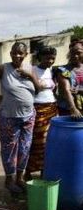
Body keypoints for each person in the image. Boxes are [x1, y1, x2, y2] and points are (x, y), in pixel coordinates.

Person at [0, 42, 40, 194]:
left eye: (21, 53)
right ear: (11, 53)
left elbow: (38, 90)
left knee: (25, 147)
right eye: (14, 52)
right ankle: (9, 180)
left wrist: (31, 76)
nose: (17, 56)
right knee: (9, 149)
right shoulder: (3, 69)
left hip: (28, 115)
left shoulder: (30, 69)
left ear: (26, 54)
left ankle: (19, 178)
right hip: (9, 116)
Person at [26, 47, 58, 178]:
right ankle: (28, 171)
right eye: (47, 58)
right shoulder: (32, 70)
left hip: (52, 108)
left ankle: (45, 170)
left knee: (50, 141)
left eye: (52, 58)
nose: (50, 61)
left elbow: (53, 89)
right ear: (40, 57)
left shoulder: (53, 71)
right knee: (37, 141)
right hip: (38, 108)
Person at [54, 40, 83, 119]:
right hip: (68, 110)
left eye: (78, 53)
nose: (75, 56)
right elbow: (66, 90)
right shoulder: (64, 70)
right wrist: (73, 108)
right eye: (73, 53)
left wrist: (79, 90)